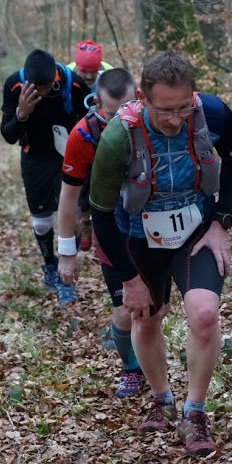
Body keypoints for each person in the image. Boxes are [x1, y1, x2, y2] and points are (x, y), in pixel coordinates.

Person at [88, 51, 232, 458]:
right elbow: (101, 213)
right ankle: (162, 398)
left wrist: (221, 222)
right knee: (146, 318)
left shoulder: (213, 114)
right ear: (142, 98)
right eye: (164, 111)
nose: (176, 120)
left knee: (205, 315)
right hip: (138, 235)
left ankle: (195, 412)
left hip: (197, 230)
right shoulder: (118, 137)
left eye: (183, 108)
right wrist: (129, 279)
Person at [57, 67, 148, 398]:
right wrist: (67, 252)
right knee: (125, 307)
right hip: (109, 225)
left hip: (151, 223)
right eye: (112, 114)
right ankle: (132, 369)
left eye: (128, 109)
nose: (121, 120)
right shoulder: (83, 136)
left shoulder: (155, 122)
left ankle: (151, 359)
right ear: (96, 103)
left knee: (154, 308)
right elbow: (67, 197)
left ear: (139, 100)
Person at [0, 48, 89, 306]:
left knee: (71, 216)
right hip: (35, 160)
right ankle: (49, 264)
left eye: (46, 88)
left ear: (55, 78)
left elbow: (90, 124)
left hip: (68, 158)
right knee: (41, 223)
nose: (41, 93)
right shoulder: (13, 85)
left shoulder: (74, 84)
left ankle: (65, 279)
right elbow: (8, 135)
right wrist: (21, 114)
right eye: (36, 89)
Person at [66, 40, 113, 249]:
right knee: (78, 183)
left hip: (103, 136)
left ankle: (95, 226)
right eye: (84, 71)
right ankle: (79, 225)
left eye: (92, 72)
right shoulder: (66, 75)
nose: (87, 76)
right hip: (74, 136)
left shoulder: (110, 74)